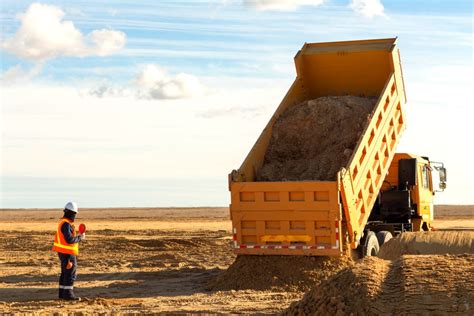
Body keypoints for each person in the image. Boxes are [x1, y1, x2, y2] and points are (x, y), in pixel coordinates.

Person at [52, 201, 85, 300]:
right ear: (72, 213)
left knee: (65, 273)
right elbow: (69, 239)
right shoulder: (66, 224)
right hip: (68, 254)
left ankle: (62, 294)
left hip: (63, 253)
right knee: (70, 274)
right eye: (74, 214)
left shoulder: (63, 223)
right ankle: (68, 295)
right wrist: (80, 238)